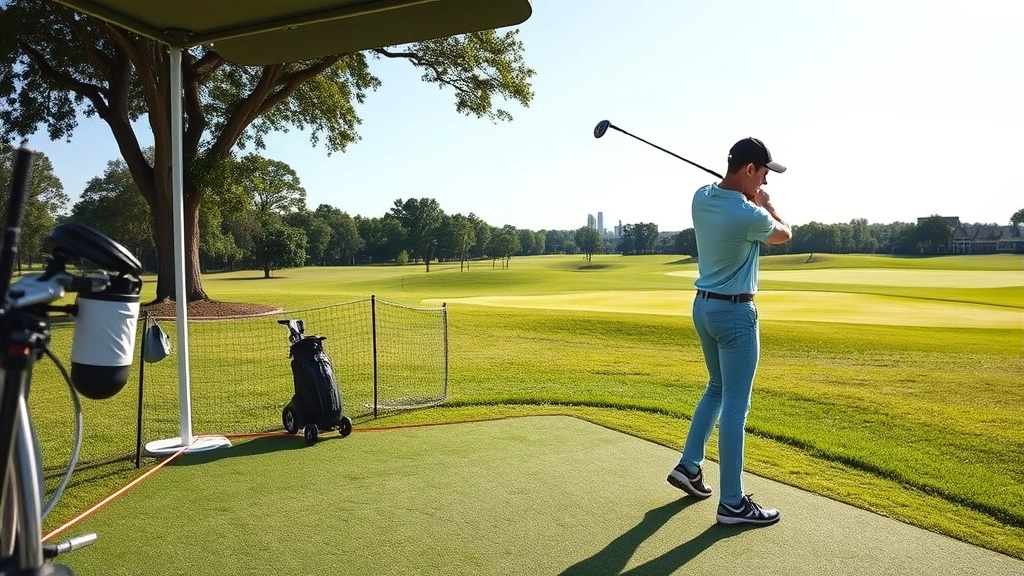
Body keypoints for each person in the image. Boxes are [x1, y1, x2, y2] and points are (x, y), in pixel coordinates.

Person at [665, 137, 793, 526]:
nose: (767, 181)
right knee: (736, 407)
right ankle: (733, 503)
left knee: (717, 388)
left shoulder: (701, 197)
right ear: (750, 169)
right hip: (737, 314)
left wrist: (743, 193)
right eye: (765, 173)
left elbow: (722, 190)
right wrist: (766, 204)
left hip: (703, 307)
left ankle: (689, 466)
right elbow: (784, 234)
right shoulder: (750, 215)